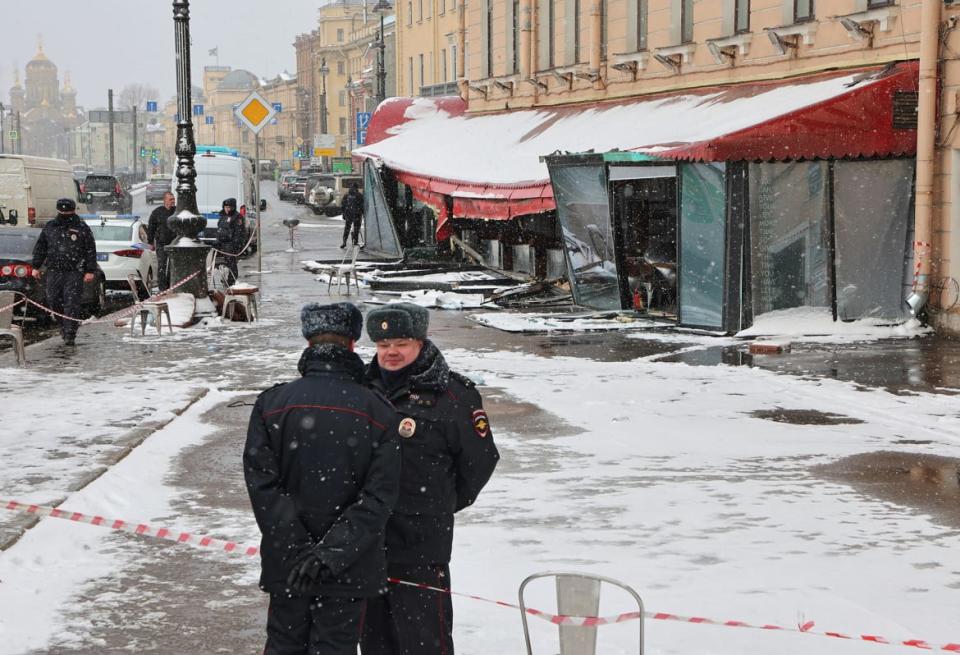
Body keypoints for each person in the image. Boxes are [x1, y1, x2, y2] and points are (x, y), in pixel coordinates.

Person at [244, 302, 401, 655]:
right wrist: (329, 555)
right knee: (336, 647)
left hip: (289, 565)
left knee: (284, 644)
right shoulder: (377, 409)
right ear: (352, 344)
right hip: (349, 567)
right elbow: (379, 496)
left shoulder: (273, 403)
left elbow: (263, 486)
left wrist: (300, 550)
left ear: (309, 343)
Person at [359, 303, 499, 655]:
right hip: (366, 539)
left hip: (421, 543)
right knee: (375, 640)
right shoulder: (359, 390)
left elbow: (479, 462)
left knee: (424, 641)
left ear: (421, 342)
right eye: (383, 344)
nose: (391, 352)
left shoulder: (452, 395)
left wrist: (438, 504)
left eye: (401, 343)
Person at [30, 198, 97, 347]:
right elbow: (41, 247)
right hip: (54, 270)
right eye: (63, 211)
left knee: (71, 303)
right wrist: (36, 266)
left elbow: (90, 250)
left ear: (73, 211)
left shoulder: (81, 227)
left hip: (74, 271)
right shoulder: (51, 227)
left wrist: (90, 270)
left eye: (68, 211)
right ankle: (64, 326)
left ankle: (70, 333)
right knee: (54, 301)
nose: (65, 213)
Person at [146, 191, 176, 291]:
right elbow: (151, 228)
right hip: (161, 243)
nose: (173, 201)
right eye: (171, 199)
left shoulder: (177, 212)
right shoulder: (157, 212)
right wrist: (150, 242)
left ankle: (171, 286)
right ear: (165, 201)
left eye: (173, 199)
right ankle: (162, 289)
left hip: (175, 244)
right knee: (162, 266)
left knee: (173, 267)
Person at [215, 197, 245, 282]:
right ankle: (225, 278)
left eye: (229, 207)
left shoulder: (237, 217)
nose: (227, 209)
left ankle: (231, 281)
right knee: (223, 263)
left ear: (233, 207)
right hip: (222, 243)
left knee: (231, 263)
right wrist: (217, 240)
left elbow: (239, 232)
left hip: (230, 244)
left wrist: (235, 244)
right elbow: (220, 229)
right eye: (226, 207)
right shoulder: (222, 215)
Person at [340, 182, 363, 249]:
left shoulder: (347, 195)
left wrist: (344, 214)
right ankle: (355, 241)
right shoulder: (359, 195)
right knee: (356, 228)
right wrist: (362, 212)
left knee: (347, 228)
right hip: (357, 215)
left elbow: (343, 205)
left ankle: (344, 242)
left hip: (348, 214)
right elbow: (362, 205)